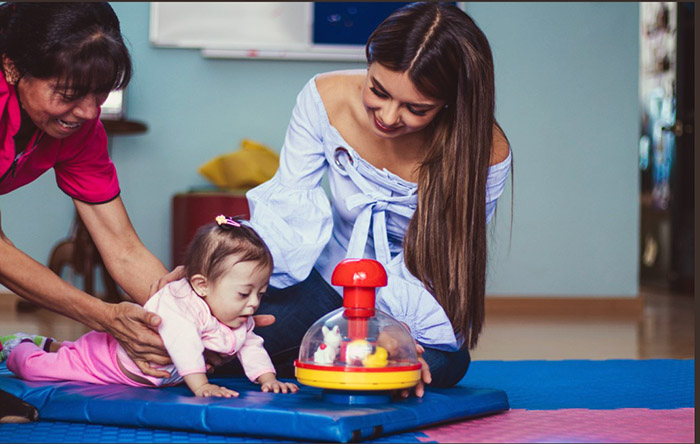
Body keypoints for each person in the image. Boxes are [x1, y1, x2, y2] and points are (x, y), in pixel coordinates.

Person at [158, 2, 512, 397]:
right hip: (327, 276)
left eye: (416, 108)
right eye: (378, 90)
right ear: (369, 61)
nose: (390, 116)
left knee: (442, 365)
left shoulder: (484, 151)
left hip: (409, 299)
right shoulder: (325, 97)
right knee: (230, 336)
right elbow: (288, 210)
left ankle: (355, 359)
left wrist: (401, 335)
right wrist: (221, 274)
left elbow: (448, 260)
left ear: (450, 102)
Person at [0, 2, 271, 419]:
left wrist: (195, 315)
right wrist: (104, 316)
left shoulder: (79, 129)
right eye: (70, 94)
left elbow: (121, 245)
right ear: (12, 67)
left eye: (100, 93)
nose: (90, 112)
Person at [2, 216, 298, 398]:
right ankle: (18, 347)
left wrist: (268, 379)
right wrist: (201, 385)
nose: (254, 303)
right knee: (39, 369)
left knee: (72, 348)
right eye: (244, 293)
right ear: (201, 285)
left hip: (139, 370)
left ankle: (52, 344)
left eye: (261, 292)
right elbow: (183, 343)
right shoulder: (182, 307)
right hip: (105, 363)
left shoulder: (236, 316)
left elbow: (251, 344)